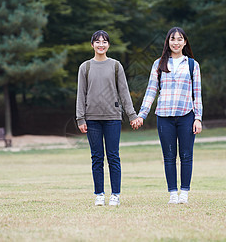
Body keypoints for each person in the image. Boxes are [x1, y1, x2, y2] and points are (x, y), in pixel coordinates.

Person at [133, 27, 203, 204]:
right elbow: (151, 91)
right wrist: (142, 114)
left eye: (180, 39)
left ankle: (184, 193)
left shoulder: (192, 65)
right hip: (164, 116)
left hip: (187, 115)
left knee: (186, 155)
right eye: (173, 39)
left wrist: (198, 118)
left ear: (185, 42)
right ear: (168, 42)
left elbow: (197, 93)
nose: (176, 42)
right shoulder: (159, 64)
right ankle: (173, 193)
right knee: (169, 156)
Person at [76, 30, 138, 207]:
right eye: (97, 41)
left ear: (108, 45)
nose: (101, 44)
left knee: (113, 156)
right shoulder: (85, 67)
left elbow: (124, 92)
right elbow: (81, 94)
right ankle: (99, 194)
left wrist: (131, 114)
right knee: (97, 157)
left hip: (113, 118)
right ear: (92, 45)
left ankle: (115, 194)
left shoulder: (116, 66)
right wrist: (80, 118)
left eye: (104, 42)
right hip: (91, 119)